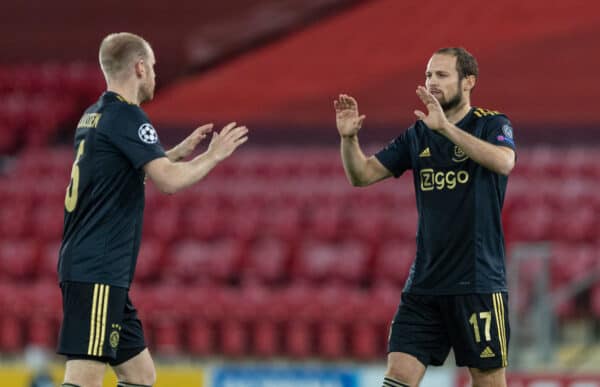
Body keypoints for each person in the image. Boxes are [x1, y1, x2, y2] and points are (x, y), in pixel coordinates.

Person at [57, 32, 248, 387]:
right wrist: (213, 155)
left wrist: (169, 154)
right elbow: (170, 183)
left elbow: (115, 175)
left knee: (140, 375)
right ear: (140, 67)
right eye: (154, 67)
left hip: (93, 266)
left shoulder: (93, 116)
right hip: (98, 268)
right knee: (84, 378)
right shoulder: (129, 117)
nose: (156, 75)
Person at [335, 47, 516, 387]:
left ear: (468, 82)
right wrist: (349, 140)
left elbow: (505, 162)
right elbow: (361, 175)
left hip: (477, 282)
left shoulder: (491, 123)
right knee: (398, 375)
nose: (432, 82)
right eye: (429, 75)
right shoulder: (417, 134)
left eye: (442, 75)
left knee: (488, 379)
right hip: (425, 283)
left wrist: (446, 129)